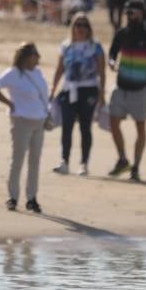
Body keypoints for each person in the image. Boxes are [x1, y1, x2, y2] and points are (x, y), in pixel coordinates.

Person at [0, 42, 50, 212]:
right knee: (18, 161)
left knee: (35, 162)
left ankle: (32, 198)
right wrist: (9, 103)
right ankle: (13, 197)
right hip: (21, 121)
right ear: (27, 57)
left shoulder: (38, 72)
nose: (38, 57)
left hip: (39, 122)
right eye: (35, 54)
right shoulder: (14, 74)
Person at [107, 0, 146, 182]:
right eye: (128, 12)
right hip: (121, 88)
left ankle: (136, 166)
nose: (129, 15)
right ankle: (122, 159)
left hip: (141, 90)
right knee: (113, 123)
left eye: (133, 12)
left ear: (142, 13)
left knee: (140, 127)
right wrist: (112, 62)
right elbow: (112, 53)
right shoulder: (122, 33)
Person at [49, 14, 106, 176]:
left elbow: (102, 72)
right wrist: (53, 89)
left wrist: (102, 94)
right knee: (67, 126)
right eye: (78, 25)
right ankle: (64, 161)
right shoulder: (66, 46)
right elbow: (60, 69)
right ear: (72, 27)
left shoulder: (95, 47)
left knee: (85, 127)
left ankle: (84, 163)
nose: (81, 29)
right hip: (69, 90)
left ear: (89, 29)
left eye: (84, 25)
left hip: (89, 90)